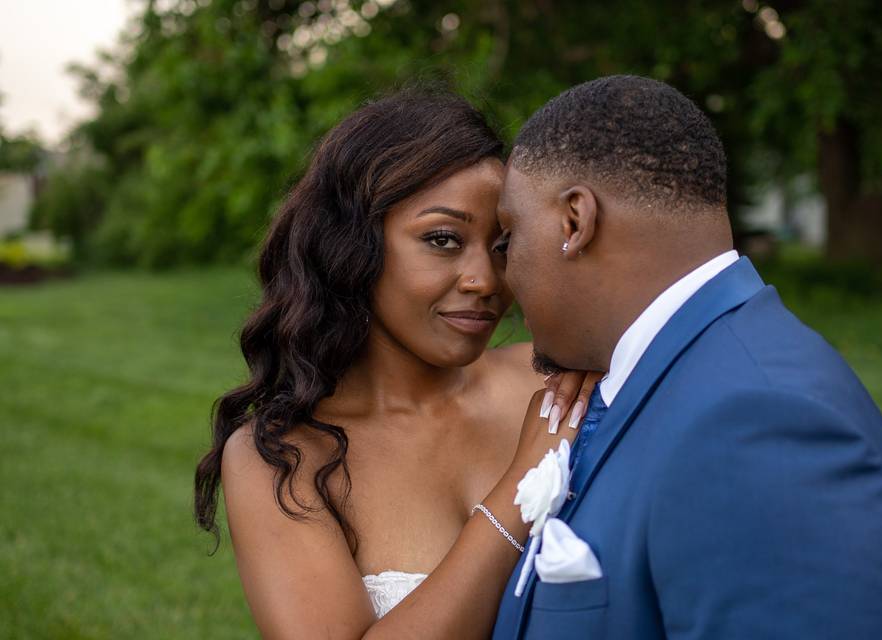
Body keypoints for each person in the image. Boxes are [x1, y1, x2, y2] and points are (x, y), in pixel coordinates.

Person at [491, 75, 882, 639]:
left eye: (508, 238)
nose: (503, 277)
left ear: (575, 222)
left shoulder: (762, 426)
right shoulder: (672, 377)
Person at [193, 89, 598, 639]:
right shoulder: (284, 460)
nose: (484, 280)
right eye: (442, 239)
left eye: (502, 246)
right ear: (354, 246)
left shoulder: (559, 382)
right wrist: (521, 493)